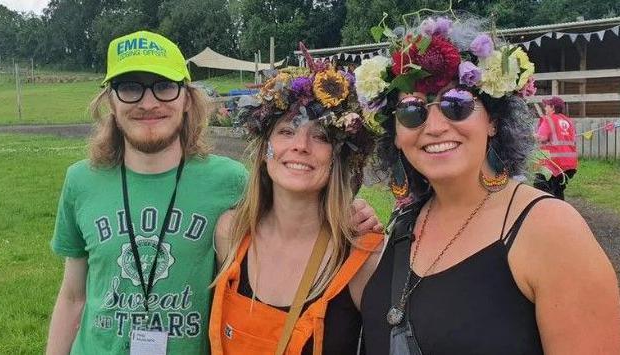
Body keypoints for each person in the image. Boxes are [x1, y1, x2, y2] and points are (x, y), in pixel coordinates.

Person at [46, 31, 381, 355]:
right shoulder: (81, 182)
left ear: (187, 99)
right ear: (111, 101)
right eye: (129, 87)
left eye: (164, 86)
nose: (148, 103)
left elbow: (291, 198)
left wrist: (349, 209)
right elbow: (74, 297)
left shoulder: (229, 181)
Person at [353, 15, 620, 354]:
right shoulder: (402, 224)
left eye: (457, 104)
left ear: (493, 120)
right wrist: (342, 234)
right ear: (397, 135)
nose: (434, 126)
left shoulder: (551, 230)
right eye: (411, 111)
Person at [209, 50, 384, 355]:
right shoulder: (231, 233)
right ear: (266, 150)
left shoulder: (363, 256)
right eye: (287, 131)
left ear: (338, 158)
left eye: (321, 137)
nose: (300, 147)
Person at [533, 96, 578, 200]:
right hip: (570, 164)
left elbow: (541, 137)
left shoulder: (548, 119)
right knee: (557, 189)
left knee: (541, 187)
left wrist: (529, 135)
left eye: (546, 106)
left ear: (552, 107)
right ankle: (560, 212)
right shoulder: (569, 121)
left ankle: (547, 212)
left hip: (553, 163)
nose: (545, 108)